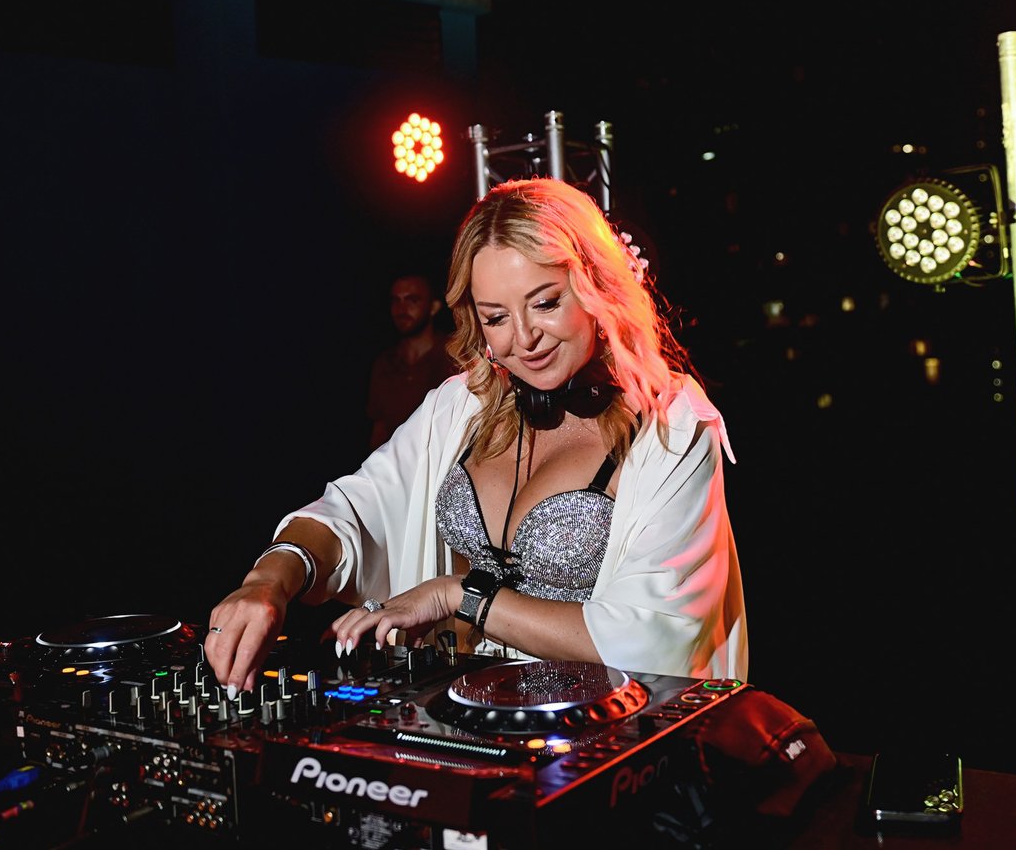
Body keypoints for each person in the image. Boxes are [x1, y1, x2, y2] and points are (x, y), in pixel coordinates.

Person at [205, 177, 747, 695]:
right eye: (496, 317)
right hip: (464, 717)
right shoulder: (461, 406)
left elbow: (655, 636)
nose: (525, 338)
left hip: (600, 731)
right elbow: (355, 507)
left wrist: (458, 595)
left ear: (596, 289)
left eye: (546, 303)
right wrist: (268, 581)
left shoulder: (671, 427)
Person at [366, 271, 459, 451]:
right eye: (396, 300)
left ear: (433, 307)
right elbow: (379, 429)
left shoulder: (454, 357)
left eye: (412, 300)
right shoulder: (385, 363)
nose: (401, 309)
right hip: (394, 463)